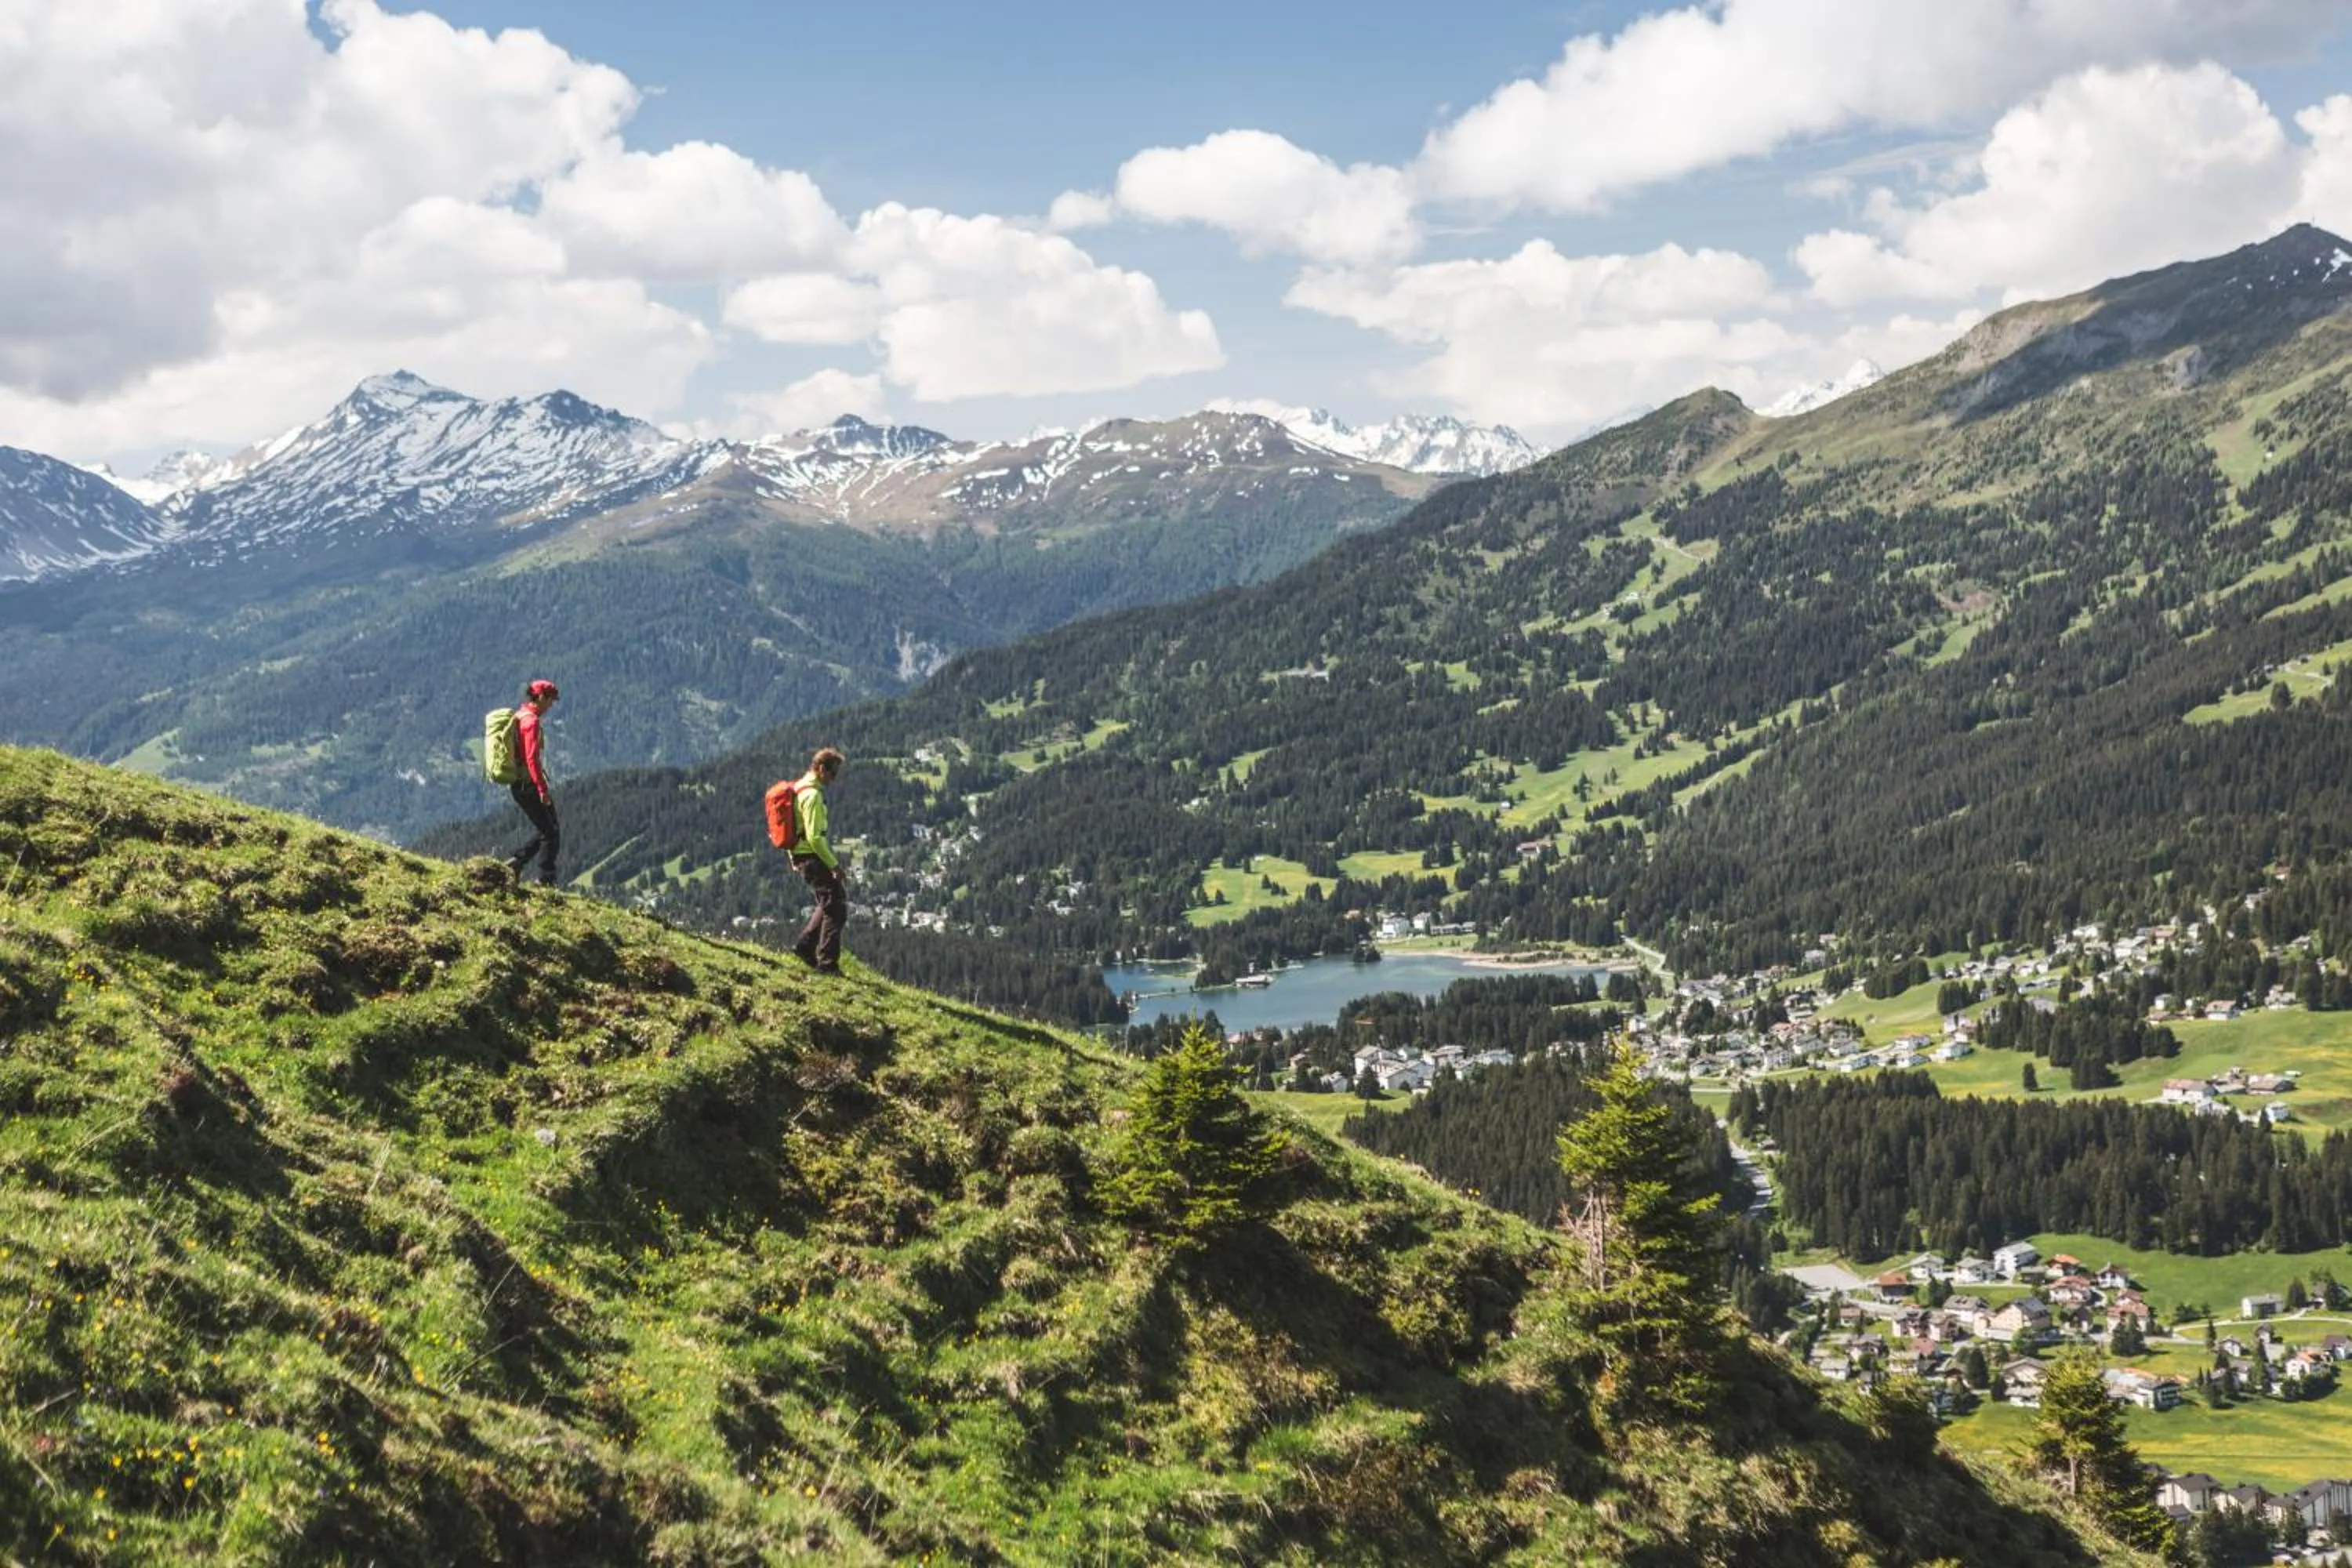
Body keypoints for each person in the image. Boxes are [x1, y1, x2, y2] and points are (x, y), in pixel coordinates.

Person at [789, 746, 848, 974]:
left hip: (802, 855)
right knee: (837, 908)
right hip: (813, 856)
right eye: (833, 773)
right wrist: (834, 865)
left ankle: (805, 947)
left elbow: (794, 828)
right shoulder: (813, 796)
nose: (834, 779)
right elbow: (814, 837)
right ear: (821, 768)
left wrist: (792, 855)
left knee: (829, 901)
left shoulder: (799, 789)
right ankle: (827, 964)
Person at [506, 679, 561, 885]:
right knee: (551, 833)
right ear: (540, 697)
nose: (551, 706)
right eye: (550, 700)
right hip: (528, 787)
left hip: (520, 785)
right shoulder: (531, 722)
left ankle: (517, 863)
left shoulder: (520, 716)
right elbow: (531, 758)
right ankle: (545, 879)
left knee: (548, 828)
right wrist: (542, 789)